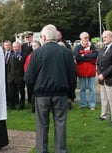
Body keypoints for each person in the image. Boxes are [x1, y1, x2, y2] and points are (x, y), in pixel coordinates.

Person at [24, 24, 76, 153]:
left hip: (42, 95)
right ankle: (61, 150)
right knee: (60, 124)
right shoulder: (66, 52)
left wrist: (33, 91)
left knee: (42, 125)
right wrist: (71, 95)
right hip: (61, 94)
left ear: (44, 37)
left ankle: (42, 150)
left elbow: (29, 77)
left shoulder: (37, 53)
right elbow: (72, 76)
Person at [74, 32, 98, 110]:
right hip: (81, 71)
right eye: (85, 37)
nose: (87, 39)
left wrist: (84, 55)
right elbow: (77, 58)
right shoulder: (78, 47)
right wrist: (89, 57)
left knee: (92, 89)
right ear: (81, 38)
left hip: (91, 70)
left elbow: (95, 55)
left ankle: (92, 105)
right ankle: (83, 104)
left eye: (87, 37)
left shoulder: (92, 46)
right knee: (82, 88)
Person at [23, 40, 41, 113]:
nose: (34, 47)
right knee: (34, 94)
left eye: (35, 46)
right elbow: (26, 67)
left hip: (40, 77)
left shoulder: (41, 54)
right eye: (33, 46)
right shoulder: (30, 56)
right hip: (33, 77)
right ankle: (34, 107)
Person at [7, 41, 26, 110]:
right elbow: (9, 67)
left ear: (20, 47)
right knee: (11, 93)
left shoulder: (24, 56)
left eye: (16, 47)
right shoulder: (11, 55)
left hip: (20, 78)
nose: (15, 48)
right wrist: (8, 76)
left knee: (22, 92)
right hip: (11, 78)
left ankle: (21, 105)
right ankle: (11, 106)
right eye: (14, 47)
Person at [22, 31, 34, 104]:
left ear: (31, 37)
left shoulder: (35, 44)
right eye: (26, 37)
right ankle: (29, 99)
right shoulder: (23, 46)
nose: (28, 39)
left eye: (29, 37)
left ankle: (32, 99)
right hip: (26, 65)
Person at [3, 40, 14, 106]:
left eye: (8, 45)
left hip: (10, 74)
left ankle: (11, 103)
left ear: (11, 46)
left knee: (10, 90)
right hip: (3, 74)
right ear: (4, 46)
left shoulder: (13, 53)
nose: (7, 46)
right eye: (6, 45)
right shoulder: (1, 53)